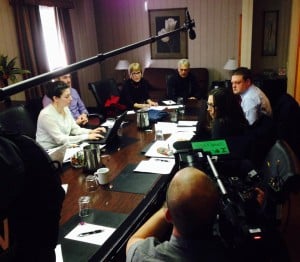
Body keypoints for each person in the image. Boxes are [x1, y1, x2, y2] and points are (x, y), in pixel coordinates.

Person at [126, 167, 229, 262]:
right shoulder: (235, 253)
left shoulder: (145, 257)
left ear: (169, 216)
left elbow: (134, 241)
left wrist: (167, 209)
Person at [36, 80, 106, 150]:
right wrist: (87, 136)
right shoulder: (46, 115)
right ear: (56, 98)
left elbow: (74, 129)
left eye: (70, 95)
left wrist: (91, 131)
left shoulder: (65, 108)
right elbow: (60, 139)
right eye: (67, 97)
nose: (71, 99)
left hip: (63, 146)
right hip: (49, 150)